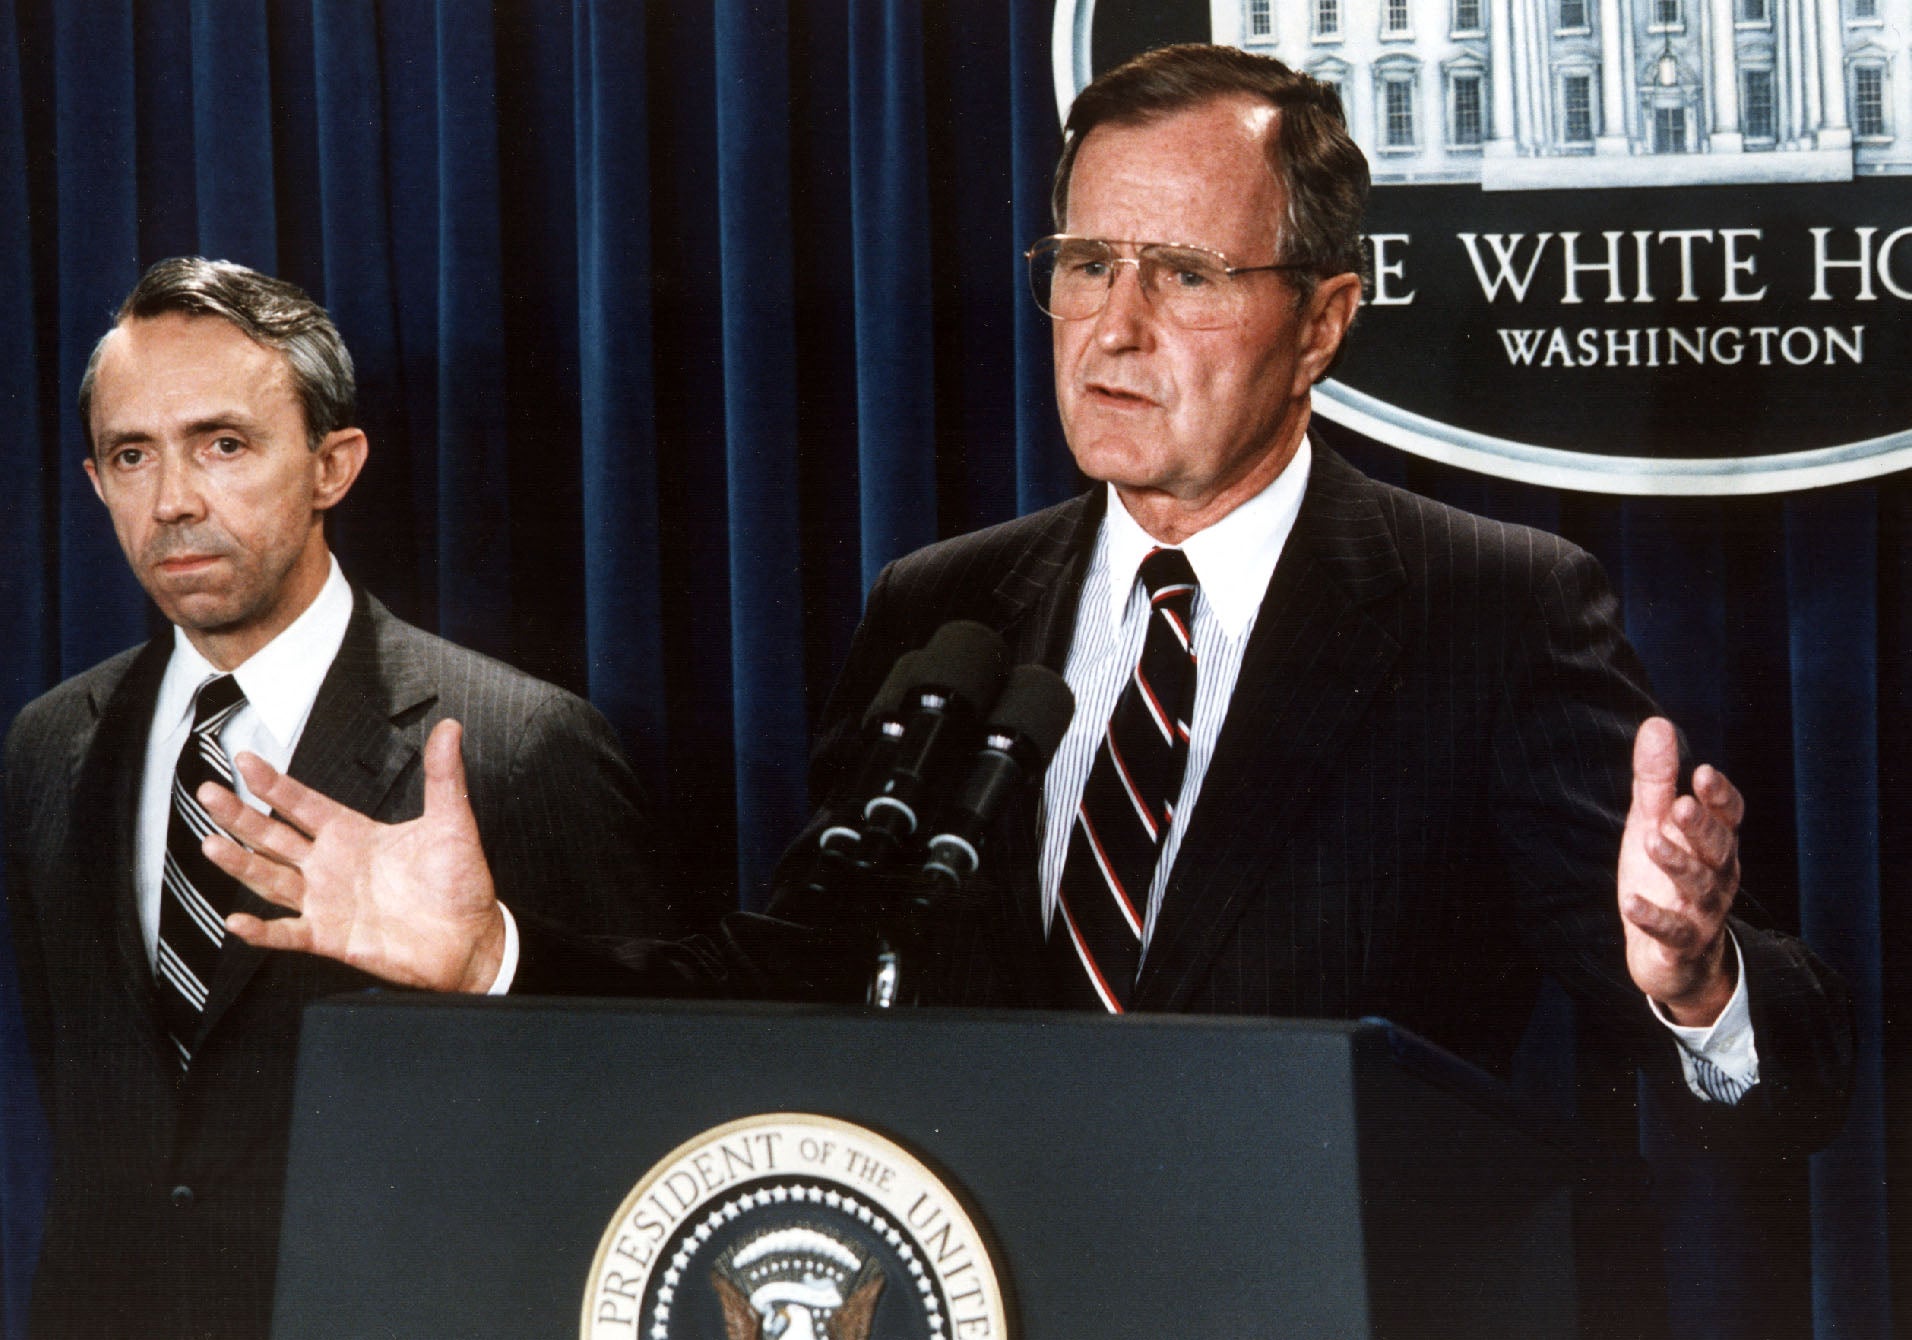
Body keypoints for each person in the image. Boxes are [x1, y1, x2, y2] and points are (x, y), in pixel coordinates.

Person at [194, 46, 1852, 1334]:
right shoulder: (949, 605)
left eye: (1185, 276)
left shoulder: (1491, 609)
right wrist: (485, 958)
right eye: (1081, 264)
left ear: (1323, 319)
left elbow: (1773, 1078)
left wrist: (1691, 981)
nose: (1111, 329)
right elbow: (794, 981)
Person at [1, 258, 693, 1340]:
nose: (174, 499)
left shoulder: (516, 746)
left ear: (334, 464)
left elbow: (645, 1115)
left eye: (223, 444)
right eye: (133, 454)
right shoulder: (48, 746)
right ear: (96, 481)